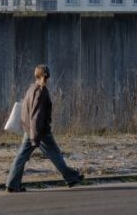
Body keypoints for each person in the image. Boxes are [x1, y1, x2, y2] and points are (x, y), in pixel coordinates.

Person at [5, 64, 84, 192]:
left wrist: (30, 132)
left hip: (29, 130)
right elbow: (36, 116)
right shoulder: (41, 91)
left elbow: (27, 111)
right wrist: (35, 137)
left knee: (21, 156)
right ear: (47, 76)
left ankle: (12, 184)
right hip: (40, 132)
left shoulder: (31, 88)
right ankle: (71, 177)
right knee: (55, 154)